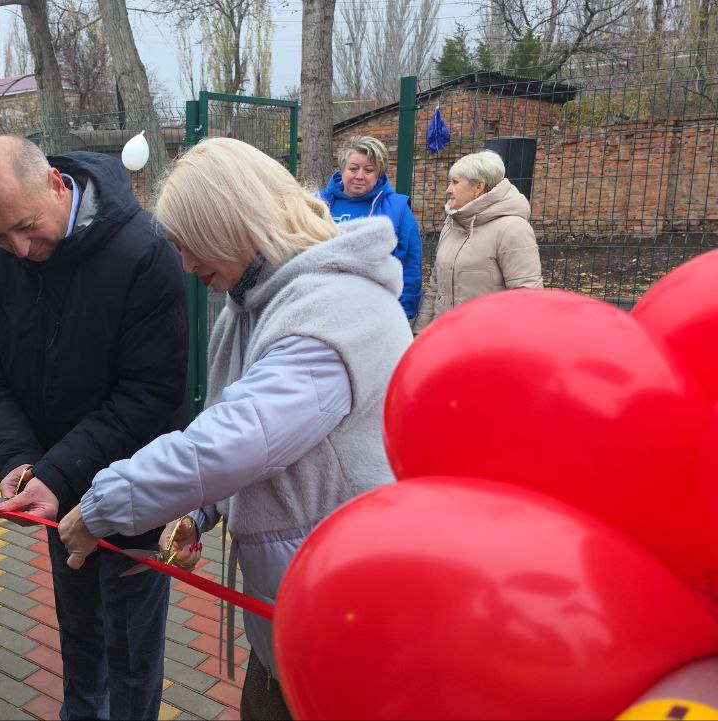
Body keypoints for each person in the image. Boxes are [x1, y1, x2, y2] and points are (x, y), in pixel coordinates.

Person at [56, 138, 413, 719]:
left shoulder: (335, 309)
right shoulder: (255, 303)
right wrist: (195, 515)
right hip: (294, 607)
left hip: (347, 615)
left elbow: (234, 441)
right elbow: (242, 432)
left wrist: (101, 507)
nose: (188, 266)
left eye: (192, 246)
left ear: (234, 223)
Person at [0, 135, 189, 720]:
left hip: (134, 485)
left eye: (27, 227)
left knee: (132, 649)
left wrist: (57, 472)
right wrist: (17, 461)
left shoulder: (144, 253)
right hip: (53, 489)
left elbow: (150, 395)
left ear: (58, 186)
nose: (20, 249)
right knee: (80, 633)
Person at [413, 149, 543, 332]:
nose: (448, 189)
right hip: (444, 339)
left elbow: (527, 298)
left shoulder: (512, 229)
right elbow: (436, 286)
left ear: (478, 187)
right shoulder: (452, 223)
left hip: (487, 346)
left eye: (455, 182)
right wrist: (421, 332)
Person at [316, 135, 423, 318]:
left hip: (374, 312)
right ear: (342, 170)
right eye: (353, 168)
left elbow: (410, 264)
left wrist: (403, 314)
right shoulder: (319, 203)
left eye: (368, 170)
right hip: (322, 308)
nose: (359, 176)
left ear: (378, 173)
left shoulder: (397, 209)